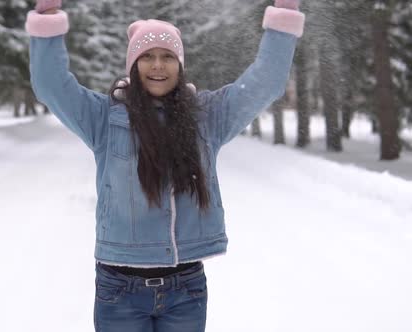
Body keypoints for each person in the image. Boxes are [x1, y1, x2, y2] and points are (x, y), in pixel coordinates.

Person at [25, 0, 305, 331]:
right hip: (120, 290)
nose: (158, 65)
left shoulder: (206, 116)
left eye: (168, 56)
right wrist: (47, 19)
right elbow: (51, 85)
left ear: (180, 64)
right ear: (133, 64)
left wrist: (284, 16)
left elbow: (265, 83)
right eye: (147, 56)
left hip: (185, 288)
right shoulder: (104, 117)